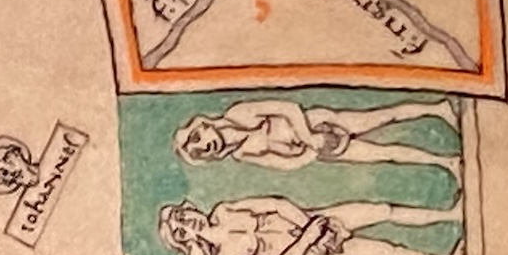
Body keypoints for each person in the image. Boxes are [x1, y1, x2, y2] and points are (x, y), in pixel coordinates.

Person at [157, 196, 463, 255]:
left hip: (321, 219)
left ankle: (452, 214)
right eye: (181, 230)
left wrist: (312, 226)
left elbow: (276, 204)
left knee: (385, 210)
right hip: (321, 252)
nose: (187, 223)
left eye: (182, 216)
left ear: (189, 208)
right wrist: (310, 241)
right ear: (187, 242)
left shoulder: (225, 210)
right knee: (390, 251)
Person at [174, 97, 458, 171]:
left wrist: (310, 136)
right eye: (199, 152)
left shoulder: (239, 114)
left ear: (203, 125)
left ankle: (437, 109)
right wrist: (310, 152)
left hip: (319, 124)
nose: (204, 146)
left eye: (197, 139)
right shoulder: (242, 153)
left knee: (384, 116)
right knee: (385, 154)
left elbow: (287, 108)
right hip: (319, 150)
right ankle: (444, 162)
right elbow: (282, 164)